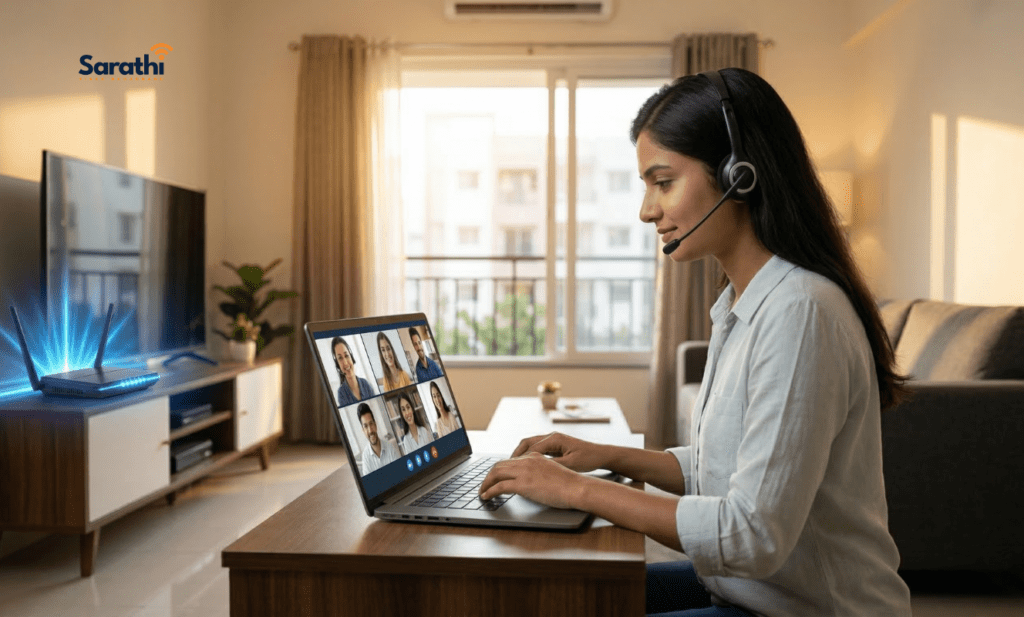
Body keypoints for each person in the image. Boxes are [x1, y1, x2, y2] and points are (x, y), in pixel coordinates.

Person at [479, 68, 912, 617]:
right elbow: (726, 464)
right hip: (747, 590)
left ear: (739, 175)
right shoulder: (744, 301)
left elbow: (752, 535)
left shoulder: (800, 312)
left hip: (804, 608)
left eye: (663, 182)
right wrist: (606, 456)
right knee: (553, 594)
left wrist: (575, 491)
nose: (646, 210)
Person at [331, 337, 375, 407]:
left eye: (346, 355)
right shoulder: (341, 394)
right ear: (337, 364)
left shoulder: (366, 384)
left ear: (351, 356)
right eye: (340, 358)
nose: (345, 362)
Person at [357, 403, 399, 474]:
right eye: (366, 426)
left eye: (371, 423)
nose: (370, 430)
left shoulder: (390, 447)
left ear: (375, 425)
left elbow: (399, 472)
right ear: (363, 431)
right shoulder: (365, 457)